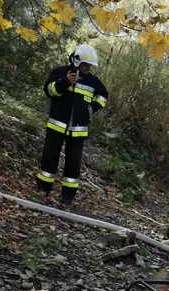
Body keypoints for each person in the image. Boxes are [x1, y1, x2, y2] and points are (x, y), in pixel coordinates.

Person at [36, 44, 109, 204]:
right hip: (56, 126)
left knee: (73, 163)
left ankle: (68, 196)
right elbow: (48, 91)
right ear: (77, 61)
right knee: (49, 157)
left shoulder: (93, 81)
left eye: (90, 65)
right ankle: (43, 189)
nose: (88, 68)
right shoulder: (59, 73)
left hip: (78, 131)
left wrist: (91, 108)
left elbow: (103, 96)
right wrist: (65, 82)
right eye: (86, 65)